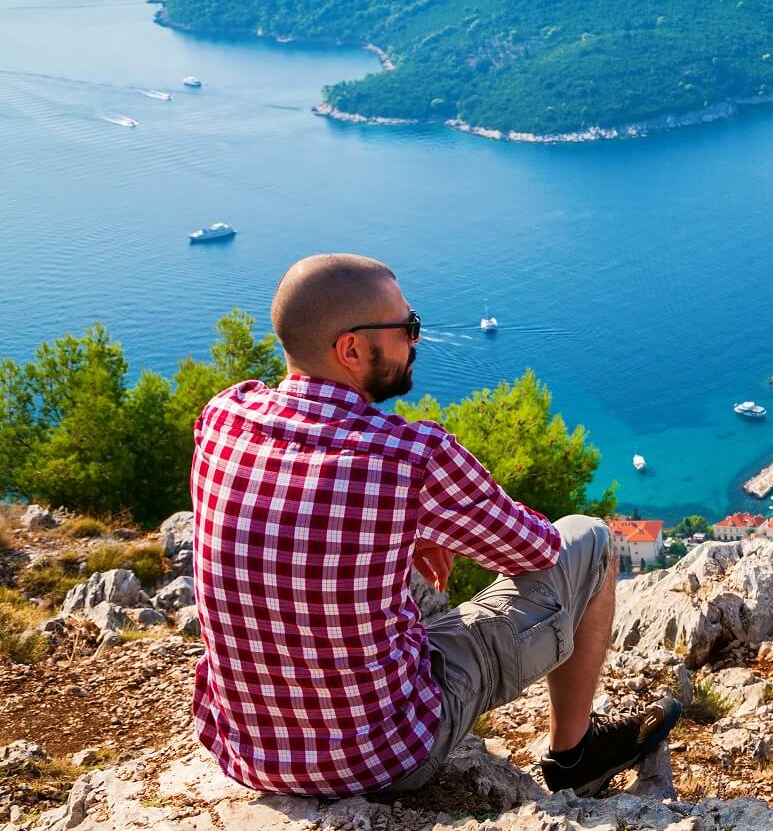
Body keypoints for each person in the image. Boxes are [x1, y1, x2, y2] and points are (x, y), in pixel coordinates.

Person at [189, 252, 677, 799]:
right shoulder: (410, 457)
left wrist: (415, 528)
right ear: (350, 348)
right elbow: (535, 552)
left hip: (248, 753)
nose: (415, 340)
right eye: (406, 327)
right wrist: (431, 520)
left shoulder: (223, 418)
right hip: (383, 757)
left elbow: (299, 507)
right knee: (590, 539)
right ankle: (575, 756)